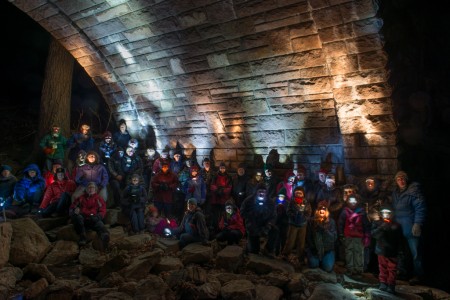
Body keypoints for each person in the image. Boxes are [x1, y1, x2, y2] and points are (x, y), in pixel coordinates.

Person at [391, 171, 426, 285]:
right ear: (396, 181)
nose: (401, 181)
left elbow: (420, 208)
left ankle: (418, 275)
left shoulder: (413, 192)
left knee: (415, 253)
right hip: (399, 227)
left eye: (403, 179)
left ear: (406, 180)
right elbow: (394, 209)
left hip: (410, 227)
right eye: (399, 179)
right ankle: (402, 272)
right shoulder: (396, 193)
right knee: (401, 252)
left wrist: (417, 223)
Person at [240, 183, 278, 258]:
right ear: (256, 192)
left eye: (263, 192)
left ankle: (268, 249)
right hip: (253, 224)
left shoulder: (270, 202)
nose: (261, 194)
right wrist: (252, 213)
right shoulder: (249, 200)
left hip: (265, 224)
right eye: (260, 191)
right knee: (254, 251)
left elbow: (274, 216)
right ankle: (251, 247)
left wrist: (268, 225)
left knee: (275, 230)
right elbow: (242, 212)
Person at [371, 206, 403, 294]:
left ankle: (391, 285)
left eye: (387, 213)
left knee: (392, 268)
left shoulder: (396, 225)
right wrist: (381, 227)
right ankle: (383, 283)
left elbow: (400, 239)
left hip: (392, 251)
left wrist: (400, 251)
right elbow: (374, 235)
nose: (385, 215)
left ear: (391, 214)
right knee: (382, 267)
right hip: (381, 250)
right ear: (380, 214)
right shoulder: (377, 223)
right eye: (383, 213)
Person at [69, 182, 110, 250]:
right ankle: (82, 237)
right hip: (82, 219)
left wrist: (98, 216)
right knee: (78, 218)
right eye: (89, 187)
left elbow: (103, 210)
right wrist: (74, 212)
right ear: (86, 189)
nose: (91, 189)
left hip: (93, 219)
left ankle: (104, 240)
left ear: (95, 189)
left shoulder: (99, 199)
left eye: (92, 187)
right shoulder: (81, 198)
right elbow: (72, 207)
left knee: (100, 225)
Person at [338, 194, 371, 276]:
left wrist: (367, 236)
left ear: (357, 202)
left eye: (354, 201)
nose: (352, 203)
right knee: (349, 252)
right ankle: (350, 269)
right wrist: (341, 234)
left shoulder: (362, 213)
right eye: (351, 201)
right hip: (348, 235)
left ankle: (358, 270)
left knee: (358, 252)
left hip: (359, 236)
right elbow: (340, 224)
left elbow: (366, 225)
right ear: (348, 202)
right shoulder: (345, 212)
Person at [282, 186, 312, 265]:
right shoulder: (292, 202)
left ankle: (300, 257)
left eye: (300, 193)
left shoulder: (306, 202)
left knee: (301, 242)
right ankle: (285, 254)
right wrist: (294, 215)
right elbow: (288, 211)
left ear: (303, 194)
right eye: (297, 193)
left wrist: (304, 217)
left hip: (302, 225)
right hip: (293, 224)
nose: (298, 195)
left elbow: (309, 212)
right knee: (290, 241)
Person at [305, 200, 337, 272]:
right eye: (320, 209)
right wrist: (312, 247)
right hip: (315, 250)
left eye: (324, 209)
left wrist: (325, 230)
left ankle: (326, 259)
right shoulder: (312, 221)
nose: (322, 211)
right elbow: (308, 237)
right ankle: (315, 259)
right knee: (313, 265)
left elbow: (333, 238)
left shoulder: (331, 222)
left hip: (327, 250)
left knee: (327, 268)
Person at [209, 162, 232, 236]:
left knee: (224, 215)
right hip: (215, 199)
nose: (222, 169)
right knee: (215, 215)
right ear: (219, 168)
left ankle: (224, 229)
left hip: (224, 199)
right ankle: (215, 229)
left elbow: (229, 187)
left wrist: (222, 191)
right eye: (221, 168)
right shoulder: (215, 176)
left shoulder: (228, 177)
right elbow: (212, 185)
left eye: (223, 168)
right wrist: (217, 190)